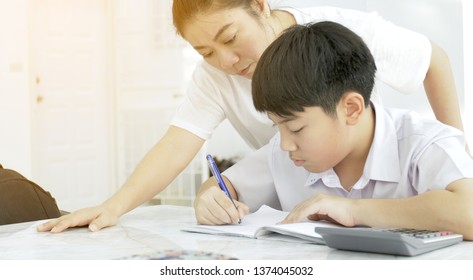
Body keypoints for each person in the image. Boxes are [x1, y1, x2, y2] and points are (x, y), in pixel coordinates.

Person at [38, 0, 466, 233]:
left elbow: (435, 60)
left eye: (229, 38)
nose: (224, 61)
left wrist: (457, 153)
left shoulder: (334, 34)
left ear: (259, 6)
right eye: (204, 52)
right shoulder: (282, 151)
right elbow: (180, 147)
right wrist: (119, 206)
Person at [194, 21, 473, 239]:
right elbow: (224, 186)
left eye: (296, 128)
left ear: (351, 109)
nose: (284, 144)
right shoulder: (288, 153)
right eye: (278, 127)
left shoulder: (424, 143)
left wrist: (354, 211)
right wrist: (210, 199)